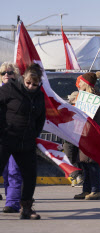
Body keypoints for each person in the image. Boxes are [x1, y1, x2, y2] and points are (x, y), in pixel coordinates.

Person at [0, 63, 46, 220]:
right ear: (23, 79)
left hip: (25, 141)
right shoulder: (9, 89)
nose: (31, 86)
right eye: (28, 83)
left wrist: (34, 134)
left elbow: (41, 118)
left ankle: (26, 208)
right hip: (6, 138)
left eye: (34, 84)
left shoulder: (39, 96)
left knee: (30, 175)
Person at [73, 72, 100, 200]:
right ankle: (86, 189)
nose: (79, 84)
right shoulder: (81, 97)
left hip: (92, 133)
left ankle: (95, 190)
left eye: (81, 82)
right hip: (82, 133)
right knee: (83, 162)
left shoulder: (98, 99)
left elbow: (97, 118)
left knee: (92, 162)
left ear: (87, 83)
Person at [0, 62, 22, 213]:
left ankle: (12, 202)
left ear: (16, 75)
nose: (6, 74)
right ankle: (12, 200)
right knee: (5, 171)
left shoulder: (23, 93)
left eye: (9, 72)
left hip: (17, 137)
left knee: (14, 170)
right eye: (3, 73)